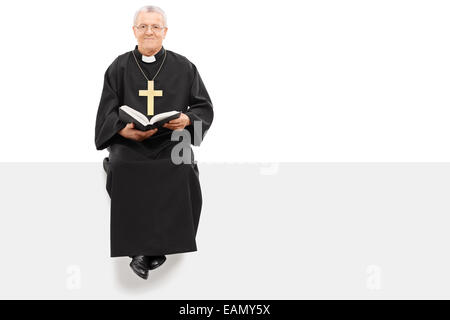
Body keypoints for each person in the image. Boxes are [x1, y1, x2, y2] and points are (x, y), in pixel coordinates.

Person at [94, 5, 214, 280]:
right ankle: (142, 250)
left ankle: (157, 247)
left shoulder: (184, 66)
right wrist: (124, 131)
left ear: (165, 32)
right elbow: (106, 111)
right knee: (123, 167)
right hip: (131, 139)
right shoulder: (119, 66)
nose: (149, 32)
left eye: (155, 27)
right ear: (134, 31)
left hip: (173, 138)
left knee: (183, 169)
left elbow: (203, 107)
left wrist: (186, 120)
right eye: (143, 26)